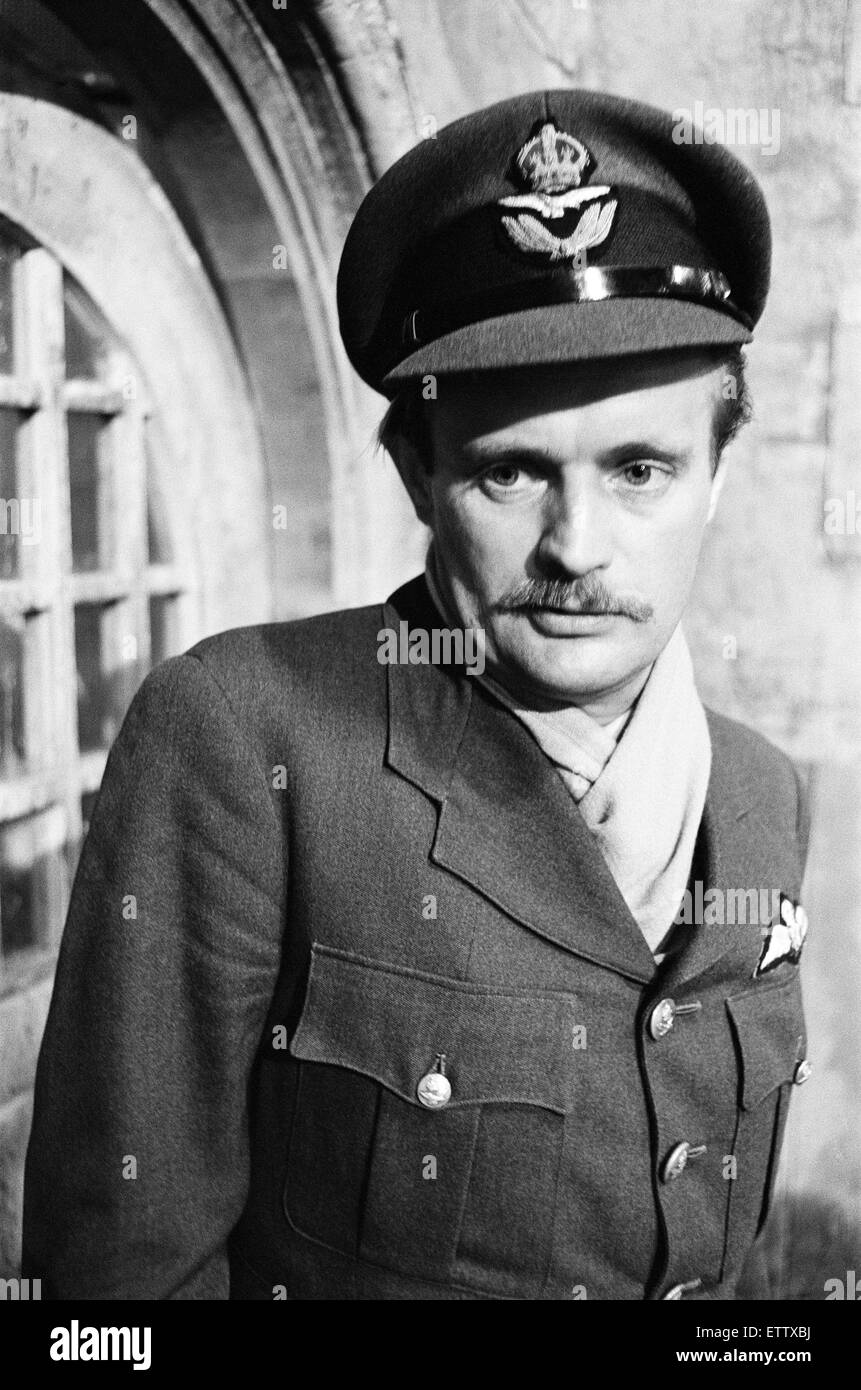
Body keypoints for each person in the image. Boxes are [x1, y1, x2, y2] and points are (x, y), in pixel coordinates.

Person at [23, 88, 811, 1301]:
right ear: (418, 474)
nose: (577, 547)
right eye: (510, 473)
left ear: (716, 474)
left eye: (642, 469)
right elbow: (116, 1294)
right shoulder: (245, 735)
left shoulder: (757, 793)